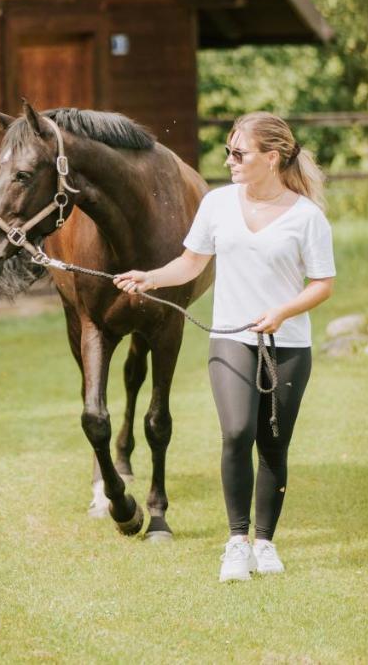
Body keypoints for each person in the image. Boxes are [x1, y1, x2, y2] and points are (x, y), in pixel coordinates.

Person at [114, 111, 335, 582]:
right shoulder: (216, 204)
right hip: (231, 338)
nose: (230, 160)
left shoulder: (307, 217)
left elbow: (323, 284)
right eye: (228, 152)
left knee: (274, 446)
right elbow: (191, 262)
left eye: (240, 153)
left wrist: (283, 312)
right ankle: (236, 543)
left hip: (288, 343)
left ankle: (265, 544)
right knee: (237, 432)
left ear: (272, 158)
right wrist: (149, 277)